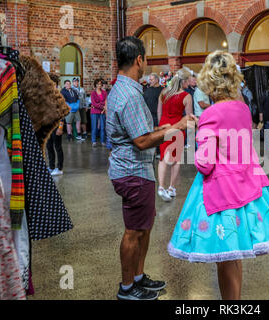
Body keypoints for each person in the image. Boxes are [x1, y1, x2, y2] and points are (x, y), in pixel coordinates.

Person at [167, 51, 269, 300]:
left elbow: (204, 164)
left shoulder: (210, 115)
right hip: (247, 185)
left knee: (225, 258)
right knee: (234, 256)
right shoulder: (242, 108)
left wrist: (196, 132)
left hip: (221, 193)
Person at [107, 36, 196, 300]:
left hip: (135, 170)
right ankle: (127, 288)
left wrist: (166, 128)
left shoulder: (124, 89)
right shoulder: (131, 95)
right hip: (132, 172)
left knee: (144, 227)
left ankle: (137, 276)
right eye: (145, 59)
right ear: (139, 60)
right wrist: (178, 127)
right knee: (134, 231)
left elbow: (143, 131)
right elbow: (142, 141)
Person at [157, 68, 193, 202]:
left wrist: (161, 127)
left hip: (164, 126)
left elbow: (159, 112)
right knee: (176, 160)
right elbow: (189, 117)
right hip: (178, 127)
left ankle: (161, 187)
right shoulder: (186, 96)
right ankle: (171, 188)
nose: (189, 83)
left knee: (163, 157)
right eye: (188, 80)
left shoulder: (163, 93)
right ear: (183, 81)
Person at [46, 73, 64, 176]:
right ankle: (51, 166)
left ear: (56, 84)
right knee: (49, 146)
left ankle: (60, 168)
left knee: (58, 146)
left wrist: (60, 127)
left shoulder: (59, 96)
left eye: (53, 83)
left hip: (57, 125)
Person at [90, 79, 108, 147]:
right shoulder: (93, 93)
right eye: (97, 84)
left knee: (103, 127)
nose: (99, 85)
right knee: (94, 127)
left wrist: (101, 105)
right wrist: (102, 106)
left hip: (102, 112)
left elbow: (105, 101)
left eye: (100, 84)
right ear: (95, 85)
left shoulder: (104, 93)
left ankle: (103, 141)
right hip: (94, 112)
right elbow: (93, 103)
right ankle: (94, 141)